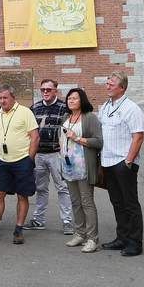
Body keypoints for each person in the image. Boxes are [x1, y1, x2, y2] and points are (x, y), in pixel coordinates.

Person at [0, 84, 39, 245]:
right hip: (2, 161)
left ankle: (18, 230)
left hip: (22, 160)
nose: (3, 101)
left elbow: (35, 137)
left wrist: (29, 159)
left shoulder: (25, 112)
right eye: (1, 98)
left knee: (22, 195)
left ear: (13, 97)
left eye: (5, 98)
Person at [99, 71, 144, 257]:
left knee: (130, 203)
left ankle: (134, 242)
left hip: (123, 162)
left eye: (112, 83)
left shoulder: (131, 108)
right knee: (117, 202)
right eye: (107, 82)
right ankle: (122, 237)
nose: (108, 85)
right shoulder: (105, 107)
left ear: (122, 88)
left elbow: (138, 136)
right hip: (108, 161)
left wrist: (128, 161)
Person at [60, 87, 103, 252]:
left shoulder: (89, 118)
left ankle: (92, 238)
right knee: (75, 202)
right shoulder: (66, 117)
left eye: (74, 98)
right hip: (68, 166)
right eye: (69, 98)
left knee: (87, 202)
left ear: (82, 100)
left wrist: (78, 139)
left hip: (84, 166)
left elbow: (98, 141)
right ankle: (80, 233)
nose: (71, 101)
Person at [30, 79, 72, 234]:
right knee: (40, 188)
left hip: (56, 154)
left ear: (56, 90)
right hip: (39, 154)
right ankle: (38, 220)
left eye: (49, 89)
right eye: (43, 89)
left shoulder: (64, 108)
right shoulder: (35, 108)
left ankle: (67, 221)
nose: (45, 92)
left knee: (62, 188)